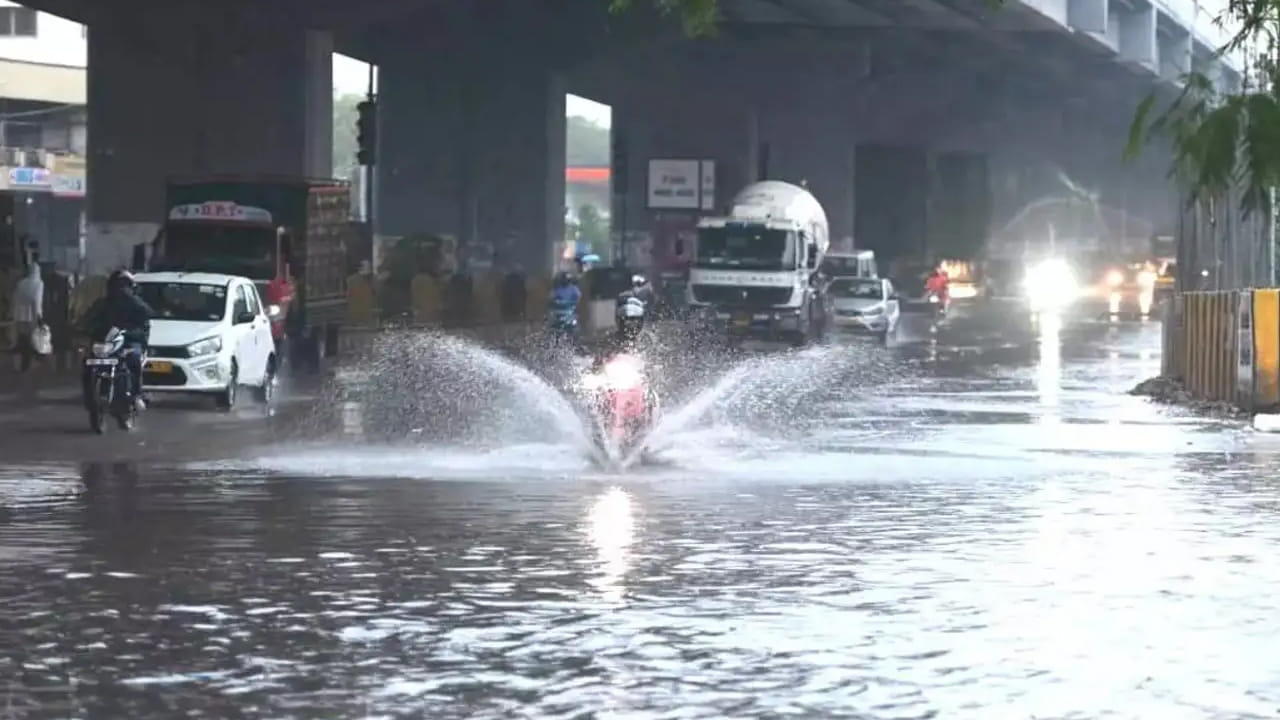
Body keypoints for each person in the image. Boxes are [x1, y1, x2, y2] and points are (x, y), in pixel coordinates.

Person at [81, 269, 155, 409]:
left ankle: (136, 394)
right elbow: (88, 320)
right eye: (117, 285)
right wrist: (85, 329)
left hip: (129, 342)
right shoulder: (102, 304)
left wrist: (130, 332)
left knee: (134, 358)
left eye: (123, 285)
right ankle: (89, 397)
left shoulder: (137, 304)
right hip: (105, 344)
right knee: (87, 362)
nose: (120, 289)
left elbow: (146, 320)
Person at [10, 261, 43, 373]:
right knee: (32, 339)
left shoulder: (21, 283)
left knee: (22, 339)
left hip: (19, 315)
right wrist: (39, 316)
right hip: (31, 316)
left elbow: (15, 298)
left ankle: (22, 363)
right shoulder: (38, 283)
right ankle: (28, 363)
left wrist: (13, 313)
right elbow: (37, 301)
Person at [547, 271, 581, 345]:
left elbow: (578, 298)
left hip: (569, 311)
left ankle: (574, 342)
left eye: (567, 280)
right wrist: (554, 301)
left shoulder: (574, 289)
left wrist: (575, 303)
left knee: (575, 326)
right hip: (558, 311)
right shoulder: (557, 289)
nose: (565, 281)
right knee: (552, 324)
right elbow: (551, 298)